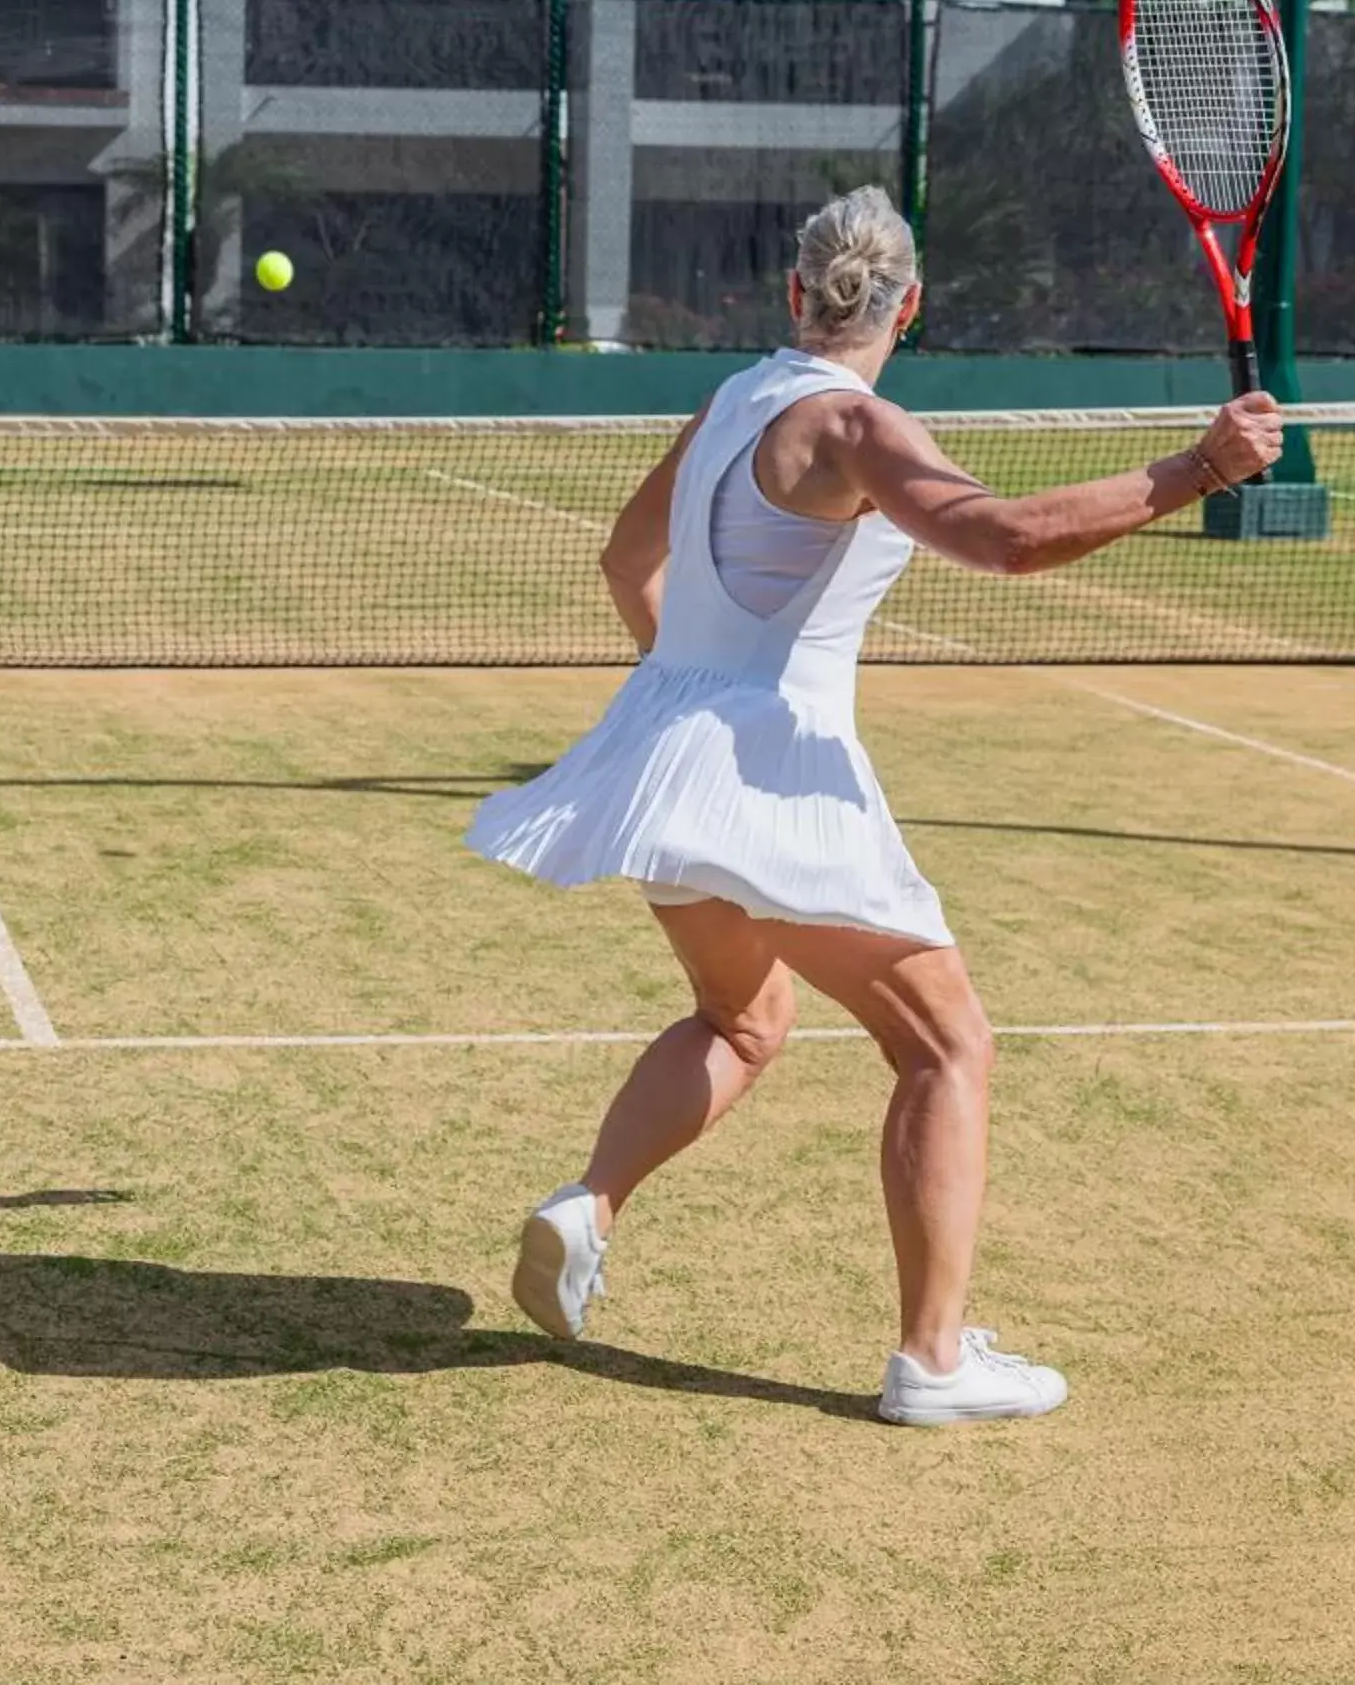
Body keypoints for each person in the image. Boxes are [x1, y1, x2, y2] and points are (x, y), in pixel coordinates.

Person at [466, 187, 1284, 1426]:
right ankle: (934, 1359)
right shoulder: (855, 423)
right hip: (769, 779)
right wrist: (1200, 467)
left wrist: (687, 693)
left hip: (662, 756)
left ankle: (589, 1205)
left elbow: (628, 563)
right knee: (946, 1047)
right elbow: (1004, 539)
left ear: (796, 294)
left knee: (742, 1023)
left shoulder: (736, 398)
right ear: (911, 304)